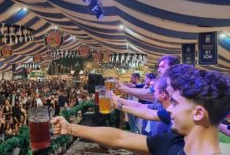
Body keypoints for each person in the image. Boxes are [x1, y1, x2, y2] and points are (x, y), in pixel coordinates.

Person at [52, 65, 230, 155]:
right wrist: (70, 128)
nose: (169, 110)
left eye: (175, 103)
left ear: (198, 113)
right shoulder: (174, 143)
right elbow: (119, 137)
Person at [115, 55, 180, 101]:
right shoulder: (166, 83)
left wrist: (123, 88)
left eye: (162, 67)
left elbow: (147, 94)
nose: (158, 70)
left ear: (173, 67)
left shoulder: (172, 84)